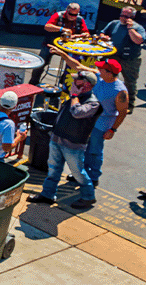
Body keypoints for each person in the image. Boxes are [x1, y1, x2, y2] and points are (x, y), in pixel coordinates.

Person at [49, 46, 129, 188]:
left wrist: (113, 130)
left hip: (101, 125)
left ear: (110, 73)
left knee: (94, 151)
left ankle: (93, 177)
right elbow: (78, 66)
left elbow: (122, 112)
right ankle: (81, 174)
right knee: (83, 148)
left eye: (102, 68)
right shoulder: (100, 77)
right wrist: (62, 54)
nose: (98, 70)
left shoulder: (120, 91)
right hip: (87, 120)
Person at [28, 70, 101, 209]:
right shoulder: (74, 97)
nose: (73, 83)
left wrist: (74, 95)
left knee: (78, 173)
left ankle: (88, 197)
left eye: (77, 81)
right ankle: (48, 194)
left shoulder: (93, 104)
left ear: (87, 85)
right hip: (57, 139)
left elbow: (77, 112)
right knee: (53, 170)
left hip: (73, 145)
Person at [27, 3, 90, 87]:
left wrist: (78, 35)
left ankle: (64, 82)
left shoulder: (80, 19)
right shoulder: (58, 15)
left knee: (74, 62)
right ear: (67, 11)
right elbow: (47, 26)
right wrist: (62, 29)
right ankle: (33, 82)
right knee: (41, 62)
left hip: (68, 47)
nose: (72, 17)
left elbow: (86, 33)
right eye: (71, 14)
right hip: (52, 44)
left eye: (75, 15)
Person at [98, 6, 145, 113]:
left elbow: (138, 40)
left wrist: (130, 28)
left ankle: (129, 105)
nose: (122, 18)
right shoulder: (114, 23)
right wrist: (103, 36)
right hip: (113, 55)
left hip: (129, 59)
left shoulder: (137, 28)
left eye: (126, 16)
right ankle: (103, 98)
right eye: (121, 15)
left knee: (130, 82)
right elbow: (102, 32)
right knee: (104, 75)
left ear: (132, 17)